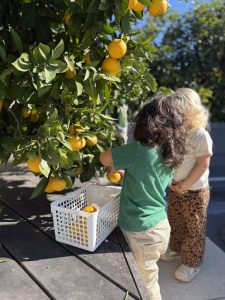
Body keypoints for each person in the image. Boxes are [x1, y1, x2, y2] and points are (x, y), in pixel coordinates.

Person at [99, 94, 187, 300]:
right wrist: (123, 173)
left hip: (141, 231)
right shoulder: (169, 155)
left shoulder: (138, 150)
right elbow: (147, 181)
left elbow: (104, 158)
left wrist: (114, 162)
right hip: (159, 226)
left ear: (145, 122)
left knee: (146, 284)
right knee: (146, 274)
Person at [161, 88, 213, 283]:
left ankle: (192, 262)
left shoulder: (200, 135)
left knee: (194, 227)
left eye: (179, 112)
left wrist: (185, 185)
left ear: (192, 111)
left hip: (196, 192)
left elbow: (203, 164)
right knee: (175, 220)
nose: (174, 117)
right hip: (177, 188)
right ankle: (176, 248)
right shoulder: (178, 134)